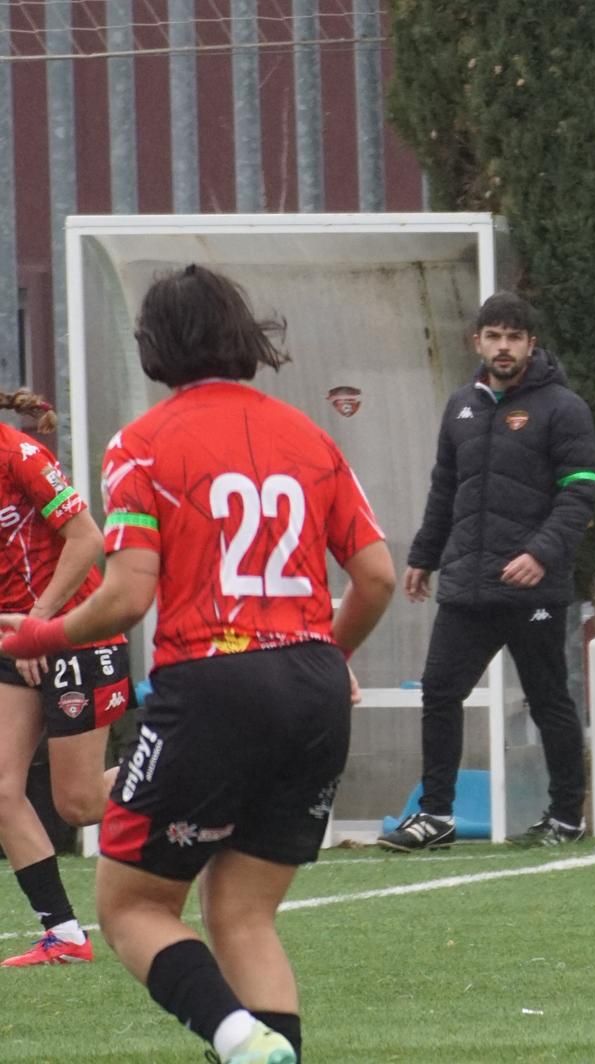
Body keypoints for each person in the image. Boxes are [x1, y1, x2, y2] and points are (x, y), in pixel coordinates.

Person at [0, 264, 395, 1064]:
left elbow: (127, 593)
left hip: (215, 683)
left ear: (154, 346)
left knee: (132, 907)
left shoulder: (142, 444)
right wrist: (327, 654)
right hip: (314, 687)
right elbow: (379, 577)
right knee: (244, 916)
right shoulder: (310, 438)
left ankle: (236, 1037)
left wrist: (43, 634)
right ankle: (261, 1047)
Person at [378, 292, 595, 853]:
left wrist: (540, 554)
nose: (504, 347)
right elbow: (445, 489)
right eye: (494, 336)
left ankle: (567, 817)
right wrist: (424, 556)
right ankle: (436, 815)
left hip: (533, 588)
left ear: (531, 344)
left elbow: (581, 491)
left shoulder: (564, 407)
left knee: (548, 699)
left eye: (514, 337)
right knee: (439, 692)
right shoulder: (461, 406)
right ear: (476, 341)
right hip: (468, 585)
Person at [0, 390, 132, 967]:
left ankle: (201, 768)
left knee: (78, 805)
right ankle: (64, 934)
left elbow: (89, 539)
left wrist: (40, 622)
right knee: (1, 789)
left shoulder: (20, 456)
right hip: (14, 640)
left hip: (75, 635)